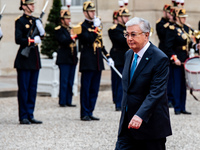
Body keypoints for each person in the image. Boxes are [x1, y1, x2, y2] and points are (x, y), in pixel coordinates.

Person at [115, 17, 172, 150]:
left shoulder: (160, 58)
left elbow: (156, 92)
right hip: (128, 125)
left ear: (146, 35)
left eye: (133, 34)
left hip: (150, 126)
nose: (129, 38)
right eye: (127, 35)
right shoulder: (129, 54)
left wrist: (140, 115)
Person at [76, 1, 114, 121]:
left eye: (93, 11)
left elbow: (100, 43)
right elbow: (87, 40)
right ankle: (84, 113)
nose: (93, 13)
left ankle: (90, 111)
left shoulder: (96, 26)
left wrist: (108, 56)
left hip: (97, 61)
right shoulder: (81, 27)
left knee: (94, 89)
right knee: (86, 89)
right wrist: (96, 28)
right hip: (87, 62)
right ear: (85, 12)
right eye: (91, 11)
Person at [14, 0, 45, 124]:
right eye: (30, 4)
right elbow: (18, 39)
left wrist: (41, 32)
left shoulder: (36, 20)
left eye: (33, 4)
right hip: (24, 59)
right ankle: (23, 116)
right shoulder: (20, 21)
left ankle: (30, 114)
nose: (33, 6)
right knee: (24, 89)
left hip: (34, 59)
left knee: (32, 89)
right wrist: (32, 40)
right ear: (23, 6)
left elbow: (41, 36)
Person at [165, 8, 200, 115]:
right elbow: (168, 46)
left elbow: (190, 42)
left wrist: (196, 46)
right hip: (177, 60)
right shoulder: (172, 29)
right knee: (177, 83)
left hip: (185, 59)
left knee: (183, 84)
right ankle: (177, 107)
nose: (184, 19)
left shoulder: (186, 28)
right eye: (182, 18)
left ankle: (182, 107)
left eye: (185, 17)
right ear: (177, 18)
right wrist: (174, 58)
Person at [108, 7, 130, 111]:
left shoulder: (128, 29)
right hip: (118, 57)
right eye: (124, 16)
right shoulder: (115, 29)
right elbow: (122, 40)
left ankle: (124, 102)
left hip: (127, 57)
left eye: (127, 16)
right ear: (119, 18)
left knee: (126, 81)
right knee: (118, 81)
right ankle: (118, 103)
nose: (126, 18)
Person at [55, 9, 78, 107]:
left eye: (69, 18)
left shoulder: (71, 29)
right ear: (62, 20)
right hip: (64, 58)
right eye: (66, 19)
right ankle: (62, 101)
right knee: (64, 81)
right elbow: (63, 41)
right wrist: (72, 37)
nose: (69, 20)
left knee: (70, 81)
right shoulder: (59, 30)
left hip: (72, 58)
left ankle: (69, 100)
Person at [156, 4, 175, 108]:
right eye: (168, 12)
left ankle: (172, 98)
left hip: (173, 51)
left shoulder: (173, 24)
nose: (169, 15)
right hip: (164, 52)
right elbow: (163, 35)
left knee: (173, 77)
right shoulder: (161, 23)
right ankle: (166, 98)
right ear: (164, 12)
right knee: (165, 77)